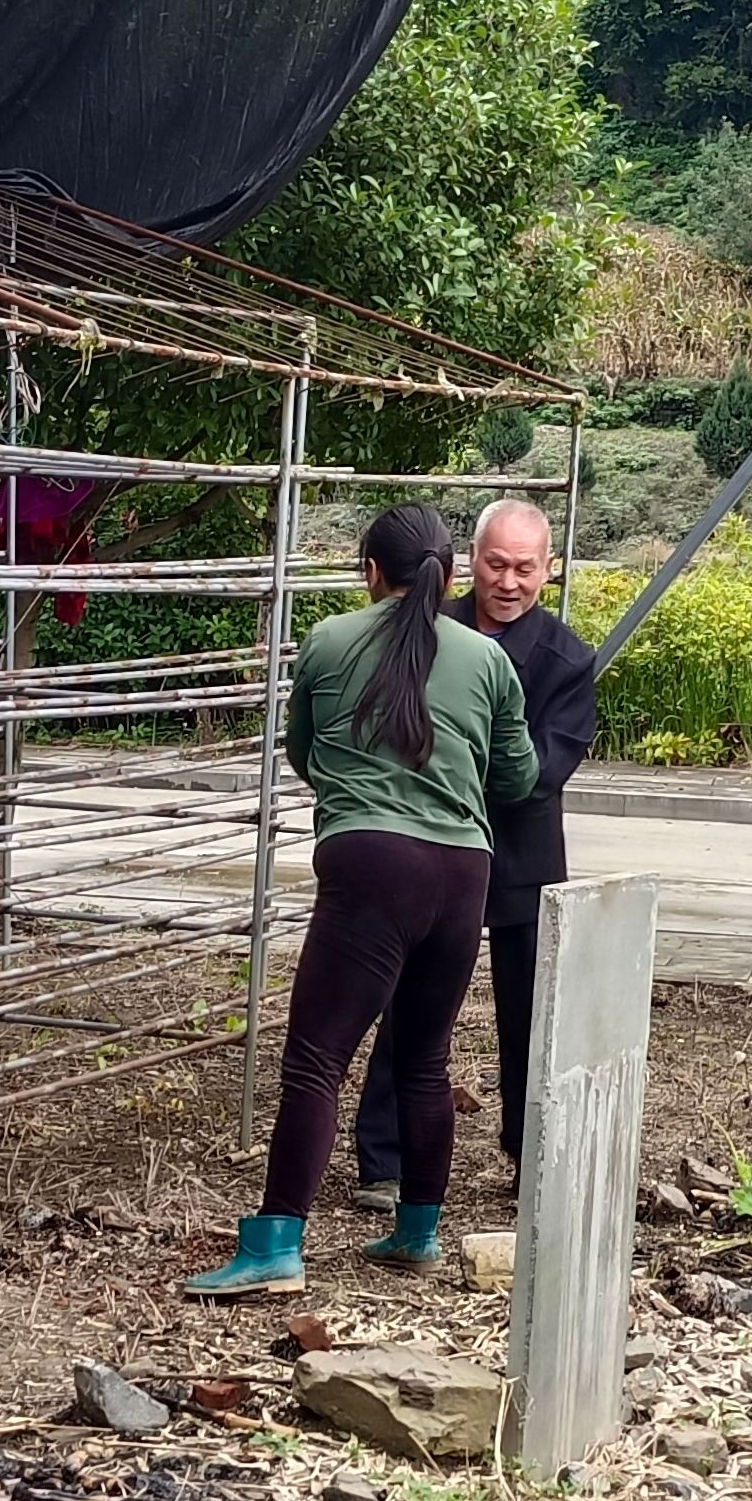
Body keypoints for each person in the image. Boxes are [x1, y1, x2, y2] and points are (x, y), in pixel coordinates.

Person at [185, 503, 536, 1295]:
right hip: (463, 871)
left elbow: (304, 751)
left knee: (316, 1061)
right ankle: (417, 1234)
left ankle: (276, 1244)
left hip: (371, 864)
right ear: (451, 573)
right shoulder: (487, 659)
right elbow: (516, 777)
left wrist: (361, 791)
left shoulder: (329, 640)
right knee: (424, 1059)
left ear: (369, 572)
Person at [349, 499, 593, 1209]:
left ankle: (528, 1154)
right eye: (495, 564)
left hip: (519, 857)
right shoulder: (424, 627)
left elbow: (544, 771)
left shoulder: (567, 660)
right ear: (468, 562)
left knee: (529, 1016)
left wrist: (452, 767)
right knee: (409, 1001)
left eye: (524, 568)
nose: (508, 582)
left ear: (548, 570)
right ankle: (384, 1158)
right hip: (428, 845)